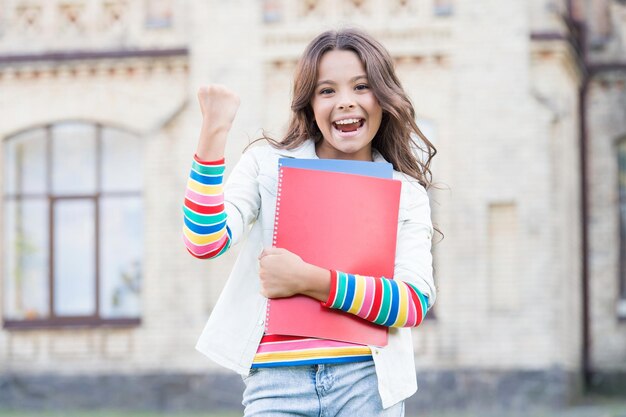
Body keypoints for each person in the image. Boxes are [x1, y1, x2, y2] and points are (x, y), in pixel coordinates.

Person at [183, 28, 437, 417]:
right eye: (327, 90)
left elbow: (413, 303)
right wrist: (213, 133)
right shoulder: (267, 166)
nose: (345, 102)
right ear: (310, 104)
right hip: (276, 385)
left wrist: (308, 280)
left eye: (361, 87)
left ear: (383, 98)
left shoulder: (406, 193)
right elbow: (205, 241)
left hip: (366, 383)